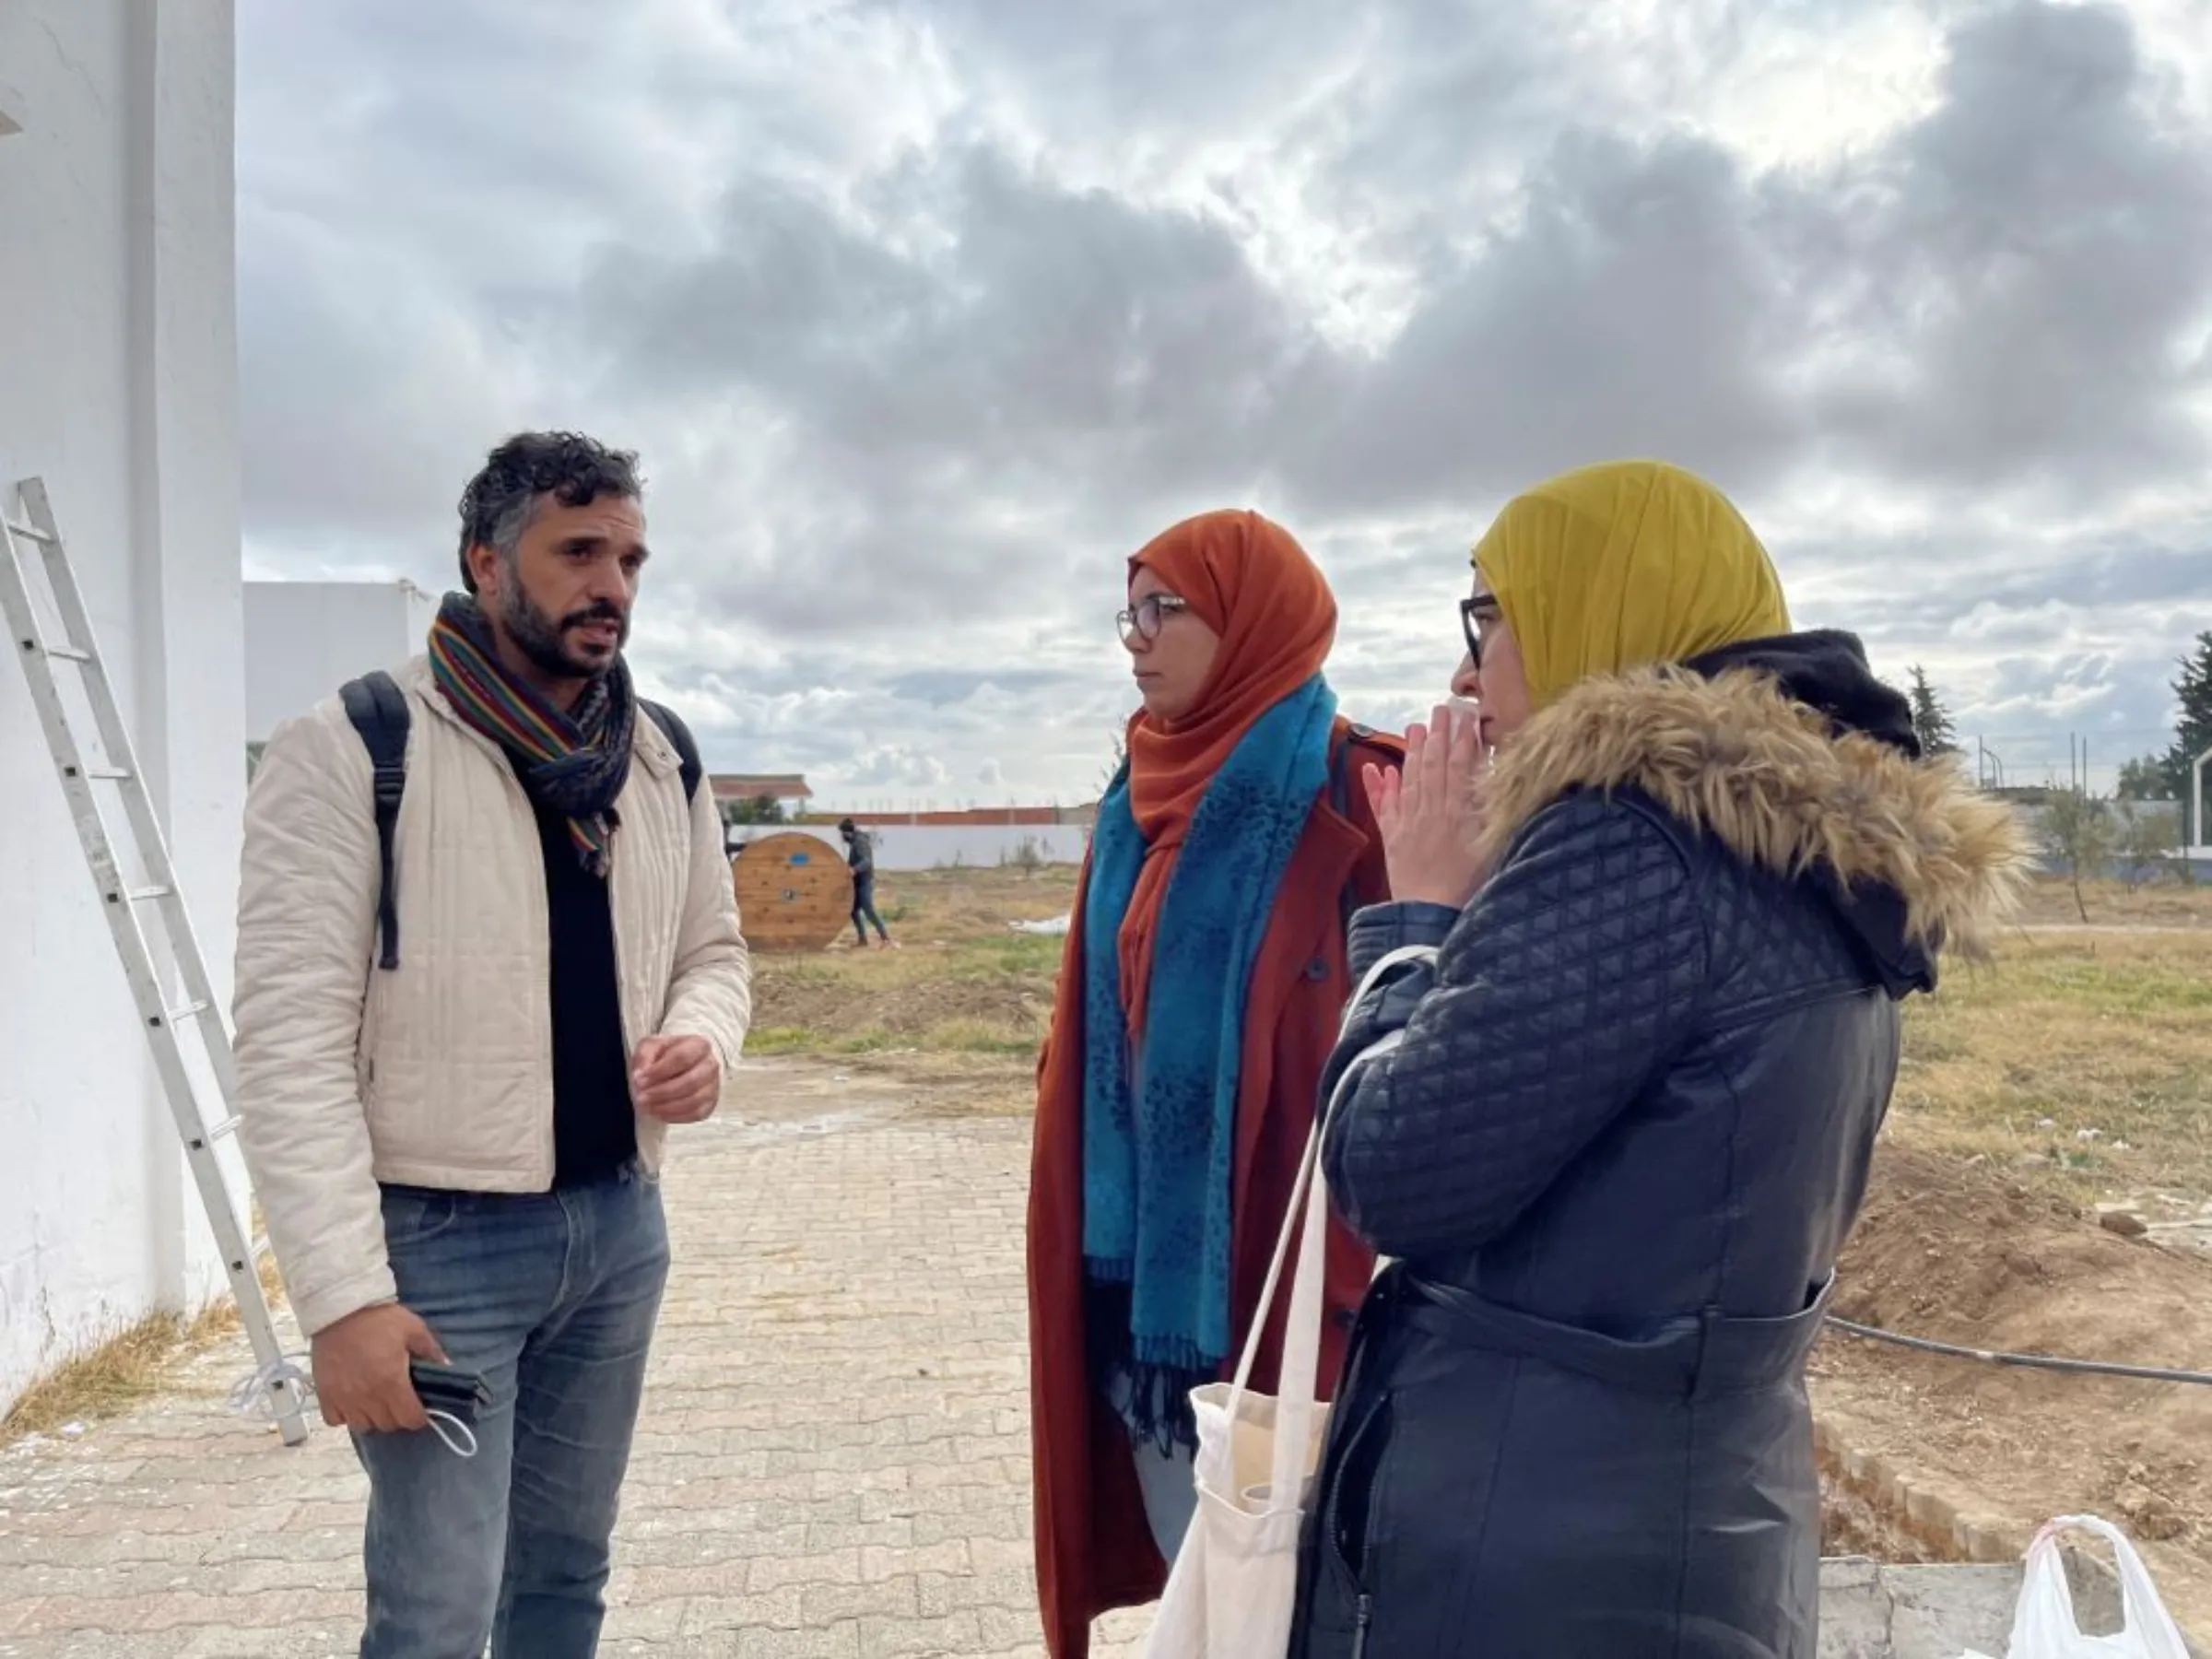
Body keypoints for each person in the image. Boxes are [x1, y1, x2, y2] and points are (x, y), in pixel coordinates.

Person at [1286, 460, 2030, 1658]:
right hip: (1698, 1522)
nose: (1463, 671)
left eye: (1486, 616)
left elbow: (1391, 1176)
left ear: (1601, 607)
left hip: (1537, 1549)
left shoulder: (1630, 853)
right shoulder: (1813, 862)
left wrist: (1416, 921)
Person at [233, 431, 752, 1658]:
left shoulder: (660, 755)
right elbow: (289, 1041)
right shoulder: (358, 744)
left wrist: (700, 1038)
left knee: (565, 1578)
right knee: (436, 1612)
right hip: (435, 1252)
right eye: (579, 551)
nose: (613, 584)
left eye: (630, 557)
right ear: (484, 559)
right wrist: (344, 1300)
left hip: (620, 1230)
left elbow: (715, 955)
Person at [1028, 508, 1402, 1658]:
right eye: (1125, 615)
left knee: (1292, 1611)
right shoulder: (1133, 796)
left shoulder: (1356, 790)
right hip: (1143, 1306)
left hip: (1286, 1295)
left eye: (1164, 609)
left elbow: (1415, 1029)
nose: (1134, 640)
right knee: (1203, 1610)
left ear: (1251, 620)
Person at [840, 816, 894, 947]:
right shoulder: (855, 842)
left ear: (847, 832)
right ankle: (863, 939)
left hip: (864, 881)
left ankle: (885, 937)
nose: (842, 837)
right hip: (858, 882)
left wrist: (854, 870)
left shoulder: (860, 842)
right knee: (853, 910)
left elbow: (866, 861)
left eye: (843, 833)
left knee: (868, 909)